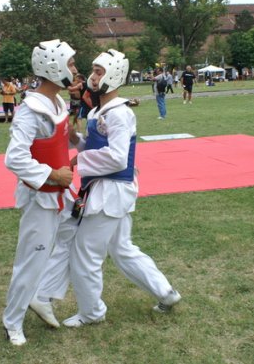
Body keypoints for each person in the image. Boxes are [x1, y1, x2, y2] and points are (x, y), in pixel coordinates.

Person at [47, 49, 181, 328]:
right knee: (122, 248)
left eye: (99, 71)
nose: (93, 77)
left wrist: (77, 159)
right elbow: (100, 146)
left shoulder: (119, 113)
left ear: (114, 74)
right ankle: (165, 292)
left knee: (85, 253)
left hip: (108, 193)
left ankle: (92, 312)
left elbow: (118, 157)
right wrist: (77, 140)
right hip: (110, 191)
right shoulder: (100, 110)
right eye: (93, 71)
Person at [1, 39, 78, 346]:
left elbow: (55, 143)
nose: (74, 69)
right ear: (54, 67)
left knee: (75, 238)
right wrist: (52, 173)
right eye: (70, 64)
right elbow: (15, 157)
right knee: (31, 258)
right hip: (41, 197)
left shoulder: (58, 102)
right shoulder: (29, 111)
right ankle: (12, 322)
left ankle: (42, 295)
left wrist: (68, 153)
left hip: (62, 193)